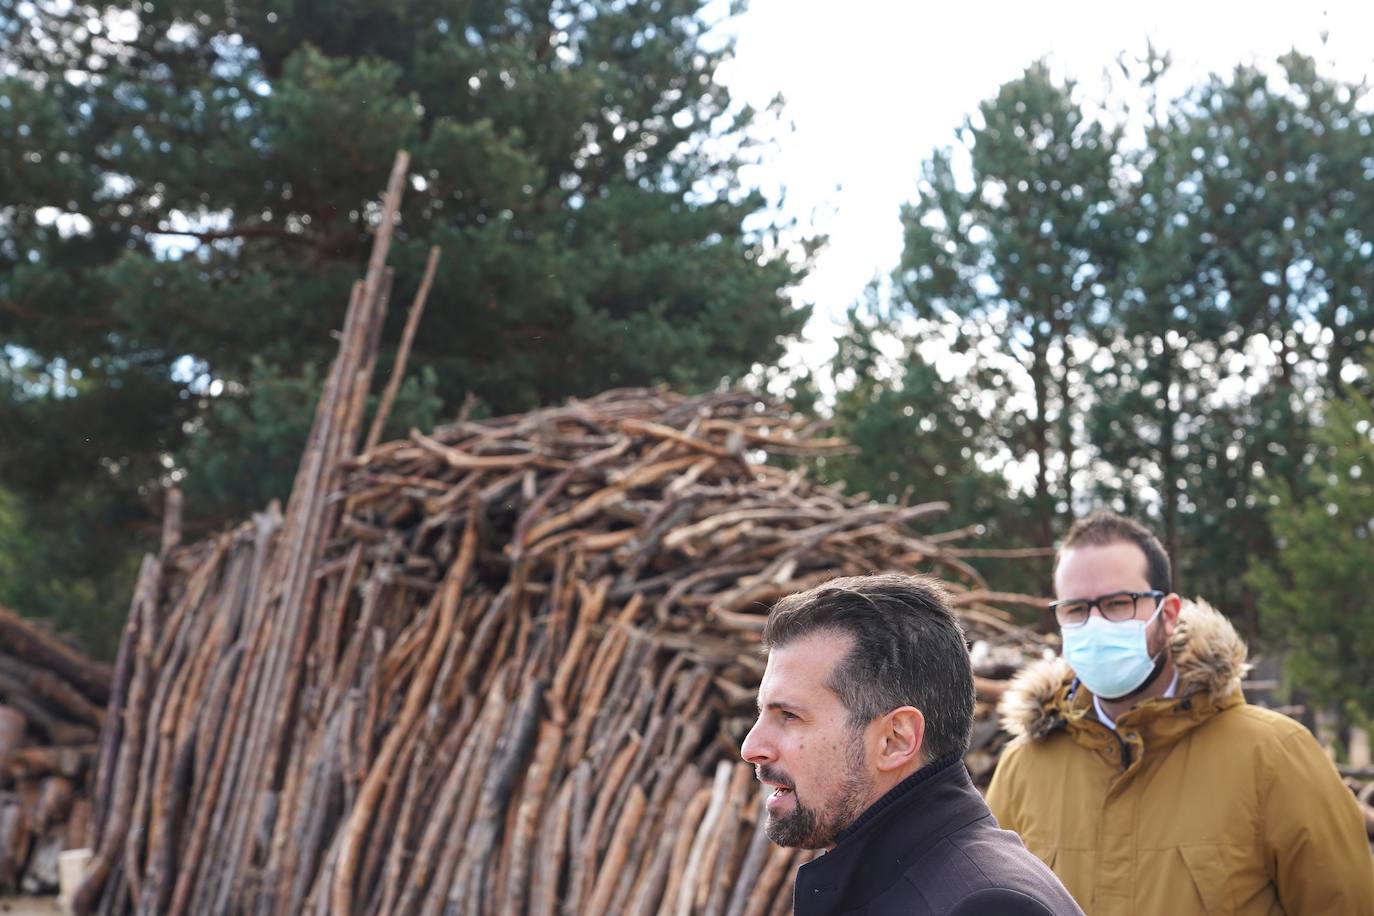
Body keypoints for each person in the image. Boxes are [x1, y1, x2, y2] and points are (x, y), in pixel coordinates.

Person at [987, 511, 1374, 915]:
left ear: (1168, 614)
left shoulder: (1275, 756)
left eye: (1118, 604)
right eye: (1075, 609)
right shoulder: (1023, 768)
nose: (1095, 624)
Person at [740, 573, 1084, 916]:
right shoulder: (896, 883)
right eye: (761, 714)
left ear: (896, 739)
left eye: (788, 715)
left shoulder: (988, 906)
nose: (751, 747)